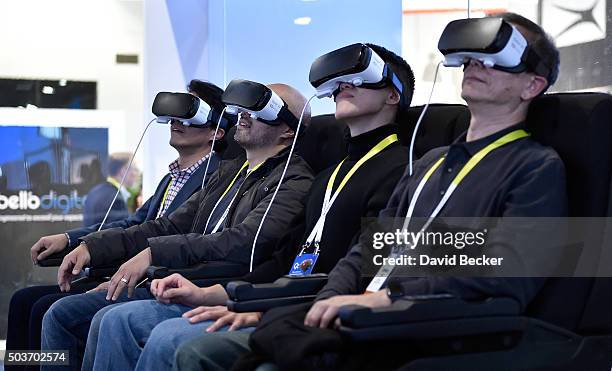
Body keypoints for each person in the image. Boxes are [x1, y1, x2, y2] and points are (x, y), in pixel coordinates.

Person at [187, 13, 567, 371]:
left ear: (532, 85)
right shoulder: (430, 162)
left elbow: (505, 272)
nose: (475, 65)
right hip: (362, 316)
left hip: (427, 326)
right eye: (472, 58)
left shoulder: (535, 166)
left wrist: (387, 297)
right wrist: (321, 305)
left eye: (497, 59)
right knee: (218, 349)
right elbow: (368, 250)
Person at [88, 43, 416, 371]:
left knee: (169, 339)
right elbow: (286, 260)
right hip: (286, 299)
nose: (344, 85)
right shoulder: (329, 176)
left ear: (392, 96)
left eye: (361, 79)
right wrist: (223, 295)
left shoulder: (404, 171)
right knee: (116, 320)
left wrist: (262, 307)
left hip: (317, 309)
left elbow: (369, 272)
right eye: (341, 82)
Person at [40, 82, 314, 371]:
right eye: (244, 108)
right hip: (181, 277)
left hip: (217, 283)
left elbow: (243, 241)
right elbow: (163, 226)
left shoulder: (293, 181)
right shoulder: (228, 174)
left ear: (287, 130)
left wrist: (154, 255)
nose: (244, 114)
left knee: (110, 319)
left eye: (261, 109)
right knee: (54, 308)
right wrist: (91, 245)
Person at [5, 79, 231, 371]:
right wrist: (70, 238)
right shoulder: (172, 178)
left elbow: (164, 234)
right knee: (24, 302)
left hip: (155, 276)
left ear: (216, 130)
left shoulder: (215, 180)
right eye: (174, 113)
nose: (177, 120)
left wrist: (106, 261)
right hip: (129, 270)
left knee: (52, 311)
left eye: (190, 113)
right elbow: (132, 223)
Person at [82, 151, 137, 226]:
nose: (136, 173)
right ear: (123, 171)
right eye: (134, 169)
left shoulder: (95, 191)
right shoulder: (116, 199)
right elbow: (119, 233)